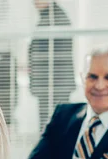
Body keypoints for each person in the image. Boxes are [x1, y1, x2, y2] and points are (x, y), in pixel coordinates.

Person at [29, 0, 75, 130]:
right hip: (50, 84)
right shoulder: (50, 16)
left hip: (53, 83)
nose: (34, 3)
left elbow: (51, 53)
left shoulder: (55, 18)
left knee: (53, 125)